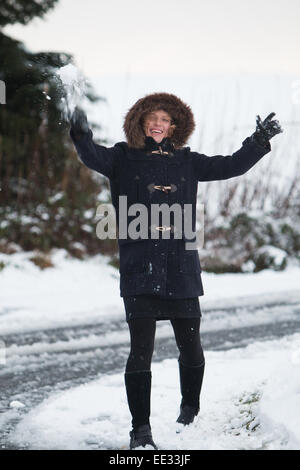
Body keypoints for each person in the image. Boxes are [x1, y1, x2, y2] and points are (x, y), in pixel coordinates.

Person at [69, 92, 283, 450]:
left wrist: (257, 142)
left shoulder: (188, 161)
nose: (158, 124)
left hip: (182, 267)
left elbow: (231, 165)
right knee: (140, 351)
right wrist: (80, 132)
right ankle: (141, 431)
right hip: (140, 267)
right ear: (140, 121)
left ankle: (189, 411)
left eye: (166, 119)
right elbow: (91, 155)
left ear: (175, 126)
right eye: (152, 117)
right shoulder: (120, 157)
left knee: (192, 349)